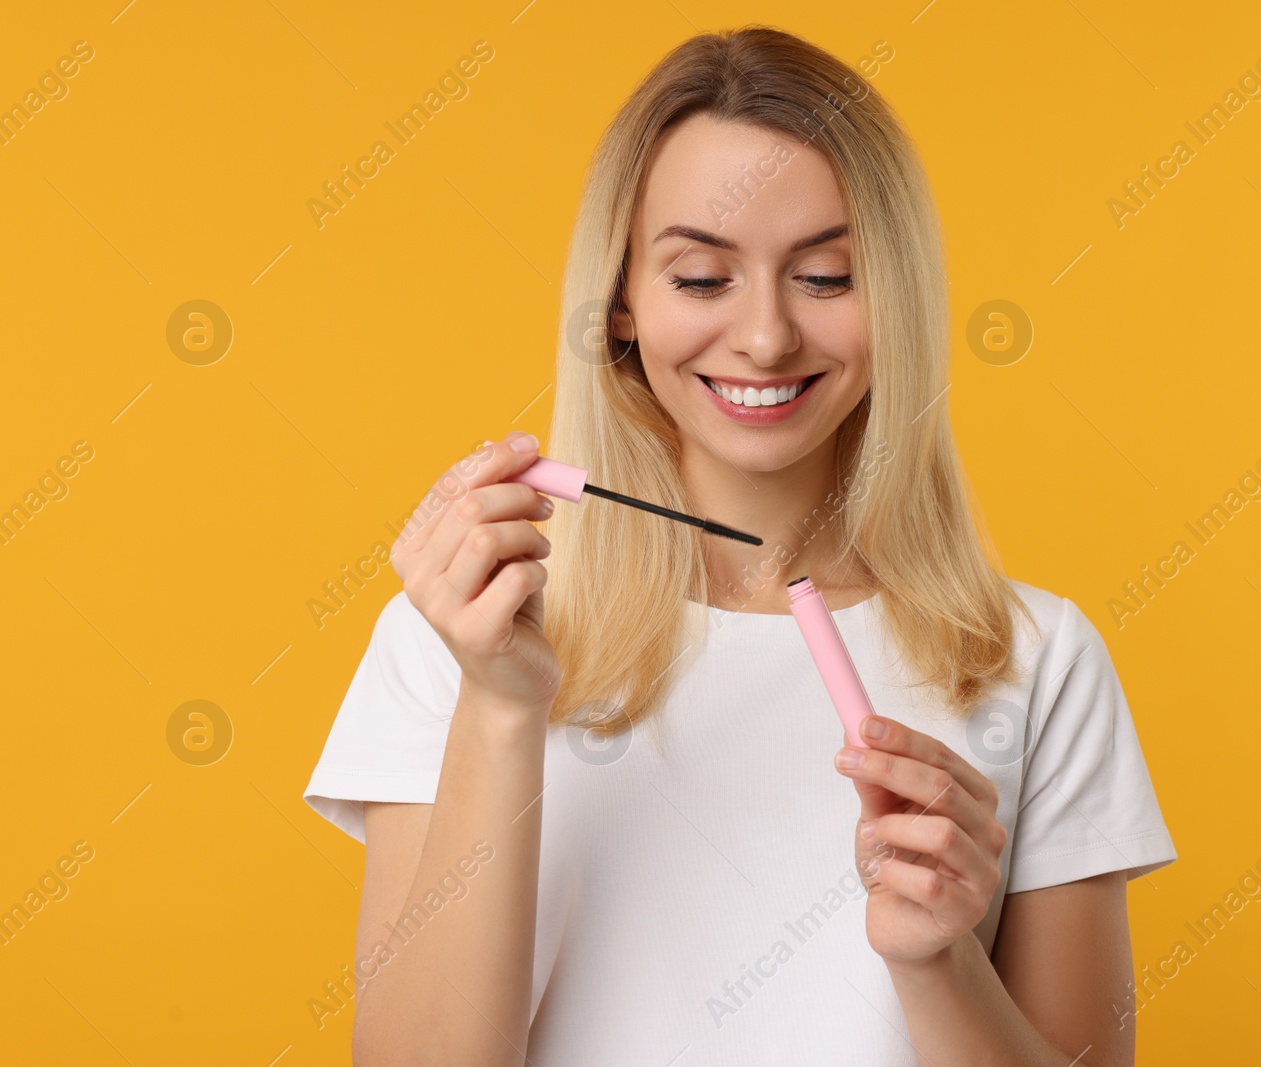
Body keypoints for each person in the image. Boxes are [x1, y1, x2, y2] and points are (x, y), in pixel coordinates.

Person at [303, 24, 1177, 1066]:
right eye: (702, 279)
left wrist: (937, 961)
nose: (765, 337)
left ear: (894, 292)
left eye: (824, 276)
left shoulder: (1033, 657)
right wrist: (499, 704)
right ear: (623, 302)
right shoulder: (461, 633)